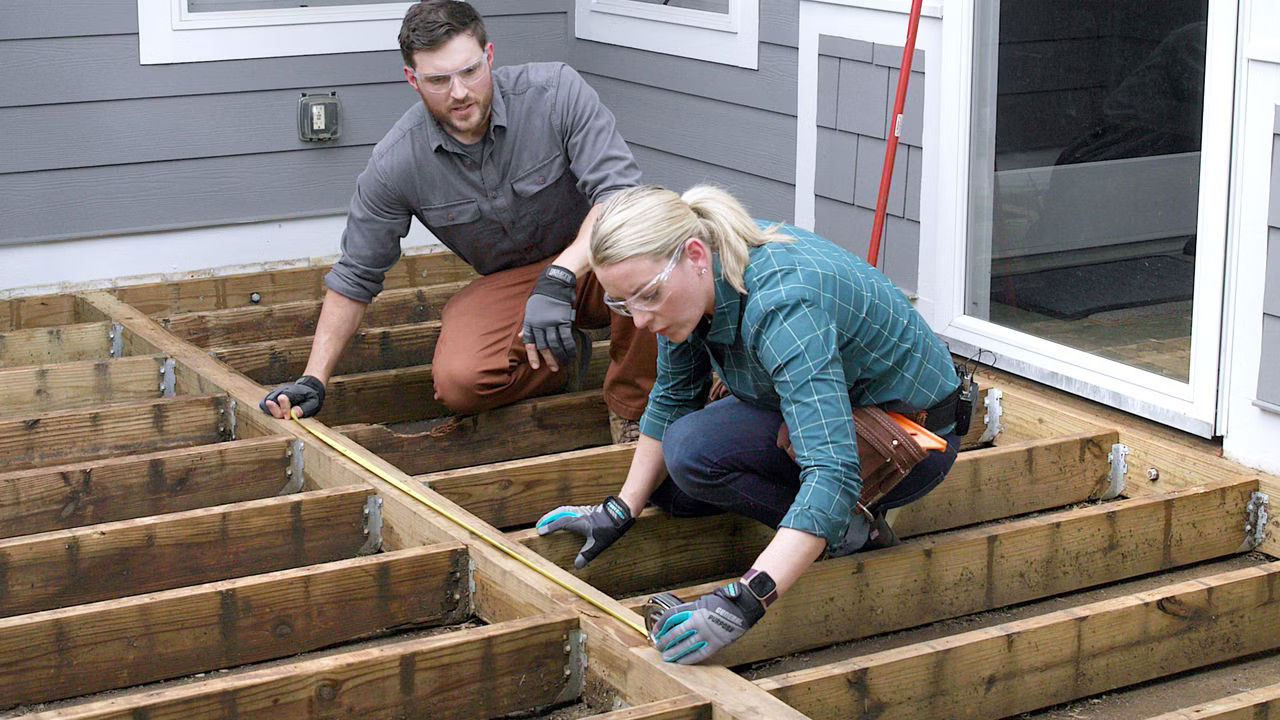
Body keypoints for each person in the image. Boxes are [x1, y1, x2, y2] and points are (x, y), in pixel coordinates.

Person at [536, 185, 963, 665]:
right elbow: (673, 395)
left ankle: (848, 530)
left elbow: (833, 471)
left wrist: (744, 599)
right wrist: (618, 510)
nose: (638, 320)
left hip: (907, 441)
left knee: (693, 453)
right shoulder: (691, 285)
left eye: (647, 297)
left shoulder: (783, 307)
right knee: (671, 484)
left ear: (695, 255)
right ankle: (813, 529)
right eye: (622, 304)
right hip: (831, 406)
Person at [259, 0, 657, 442]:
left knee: (653, 247)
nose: (460, 92)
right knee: (460, 382)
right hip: (516, 286)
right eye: (438, 80)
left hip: (598, 258)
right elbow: (355, 276)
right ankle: (560, 364)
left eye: (469, 71)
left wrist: (563, 274)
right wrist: (314, 379)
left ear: (488, 56)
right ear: (413, 79)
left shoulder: (556, 93)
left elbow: (620, 196)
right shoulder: (397, 162)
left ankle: (636, 410)